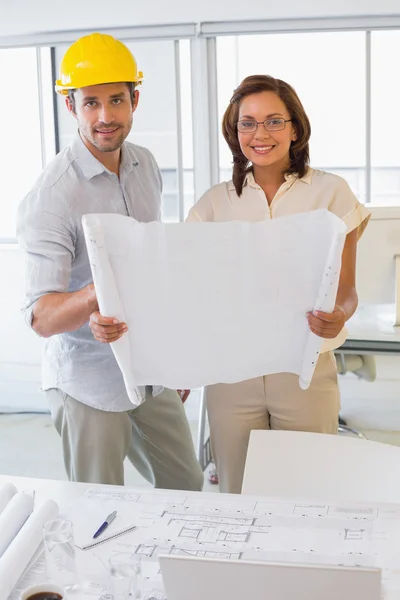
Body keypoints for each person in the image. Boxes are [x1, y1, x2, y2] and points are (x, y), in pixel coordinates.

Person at [17, 32, 203, 491]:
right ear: (70, 107)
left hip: (148, 369)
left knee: (187, 486)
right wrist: (98, 294)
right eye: (91, 103)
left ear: (135, 99)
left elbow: (154, 265)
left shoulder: (145, 165)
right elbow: (41, 316)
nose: (105, 116)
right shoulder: (52, 196)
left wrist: (172, 357)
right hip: (88, 379)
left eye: (116, 100)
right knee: (99, 506)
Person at [185, 74, 370, 494]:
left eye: (273, 121)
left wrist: (338, 314)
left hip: (303, 370)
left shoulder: (331, 193)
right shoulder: (213, 204)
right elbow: (191, 292)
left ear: (295, 127)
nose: (260, 133)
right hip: (231, 373)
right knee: (237, 492)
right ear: (235, 133)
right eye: (247, 123)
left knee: (310, 493)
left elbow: (348, 290)